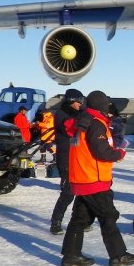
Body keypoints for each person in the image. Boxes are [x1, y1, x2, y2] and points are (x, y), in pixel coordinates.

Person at [60, 90, 134, 266]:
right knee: (108, 217)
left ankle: (70, 255)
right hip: (94, 180)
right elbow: (101, 151)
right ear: (102, 105)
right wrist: (119, 153)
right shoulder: (96, 123)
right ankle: (118, 255)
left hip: (81, 178)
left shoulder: (82, 122)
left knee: (79, 219)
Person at [49, 88, 85, 235]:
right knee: (68, 193)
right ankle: (56, 222)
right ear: (71, 101)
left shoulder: (77, 114)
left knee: (83, 192)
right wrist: (85, 116)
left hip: (78, 158)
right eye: (78, 102)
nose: (80, 105)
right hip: (66, 159)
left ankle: (79, 221)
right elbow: (70, 128)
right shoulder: (61, 114)